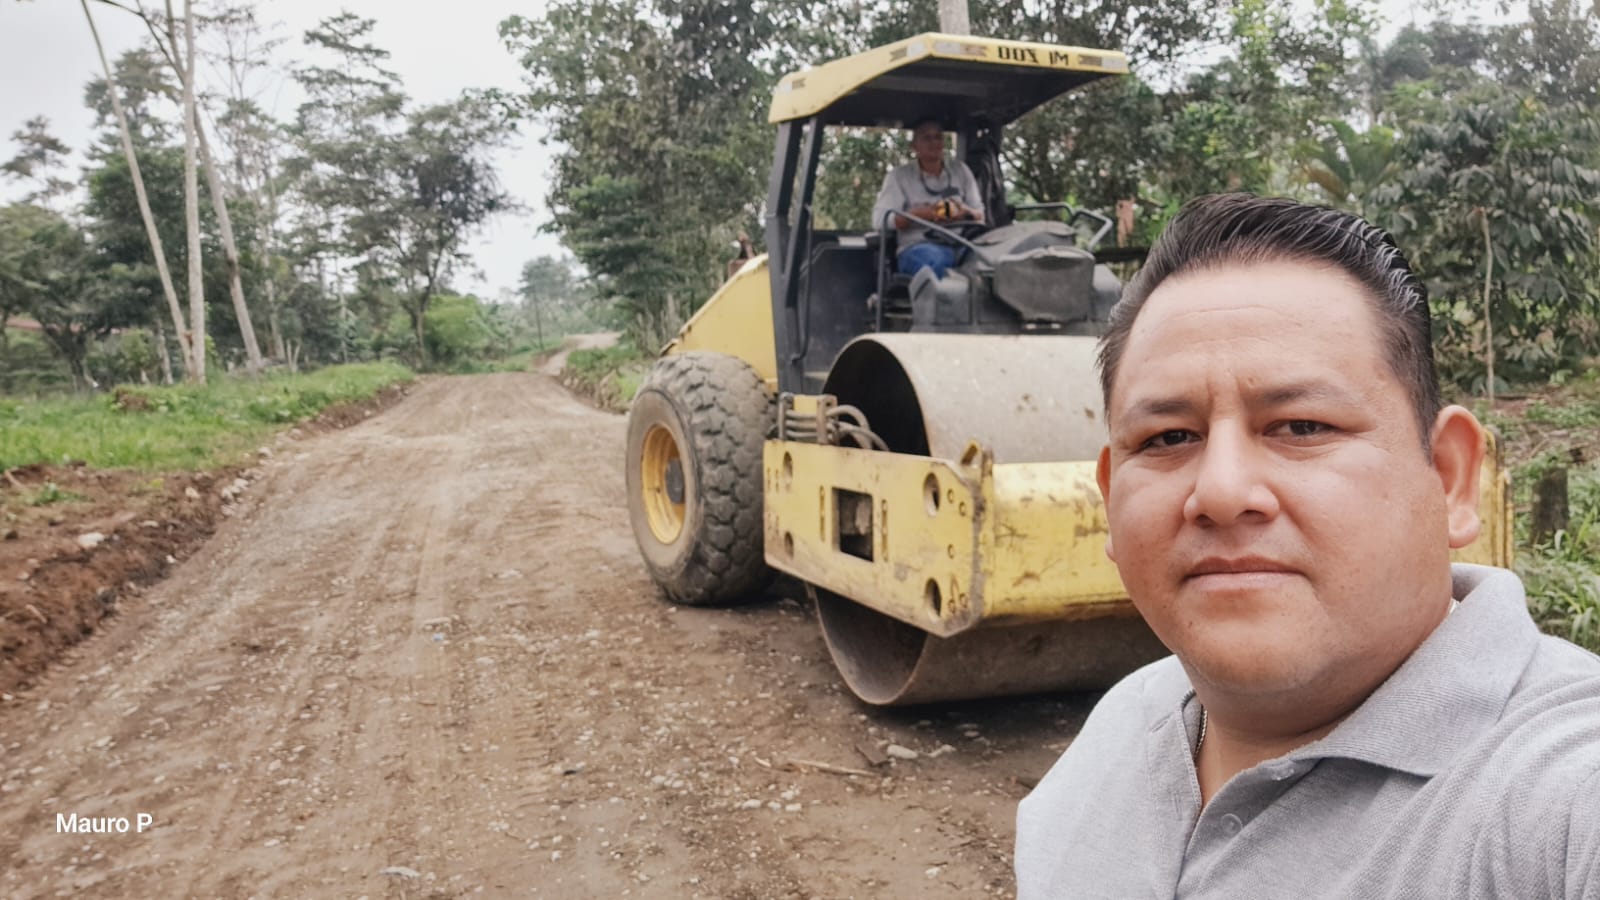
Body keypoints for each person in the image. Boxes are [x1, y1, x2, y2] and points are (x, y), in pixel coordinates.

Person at [1014, 193, 1600, 899]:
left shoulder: (1561, 799)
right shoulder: (1125, 720)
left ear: (1448, 478)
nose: (1221, 491)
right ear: (1111, 499)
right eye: (1168, 438)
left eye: (1301, 427)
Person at [870, 117, 985, 279]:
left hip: (961, 244)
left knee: (990, 260)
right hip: (918, 247)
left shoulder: (961, 170)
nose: (934, 142)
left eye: (938, 137)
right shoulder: (899, 176)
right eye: (927, 138)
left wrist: (964, 212)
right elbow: (879, 220)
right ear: (914, 146)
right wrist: (917, 215)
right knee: (935, 260)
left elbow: (980, 214)